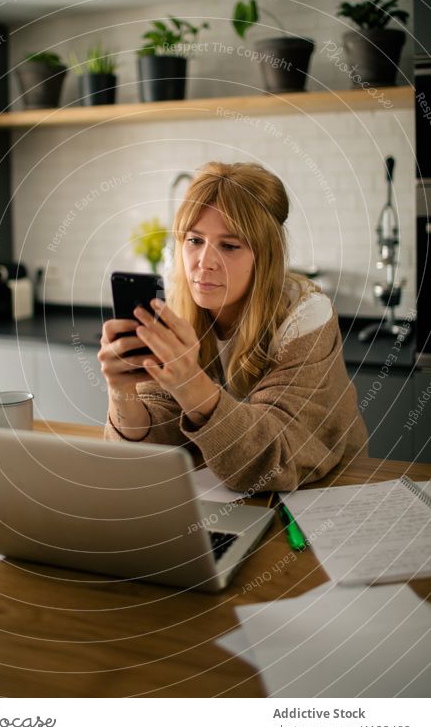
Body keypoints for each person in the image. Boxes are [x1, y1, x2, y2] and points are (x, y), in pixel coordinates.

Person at [98, 161, 368, 493]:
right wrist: (122, 392)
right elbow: (149, 459)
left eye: (229, 246)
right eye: (195, 240)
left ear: (264, 254)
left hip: (330, 492)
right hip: (223, 493)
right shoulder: (174, 310)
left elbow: (277, 459)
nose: (204, 262)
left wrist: (191, 384)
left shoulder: (305, 318)